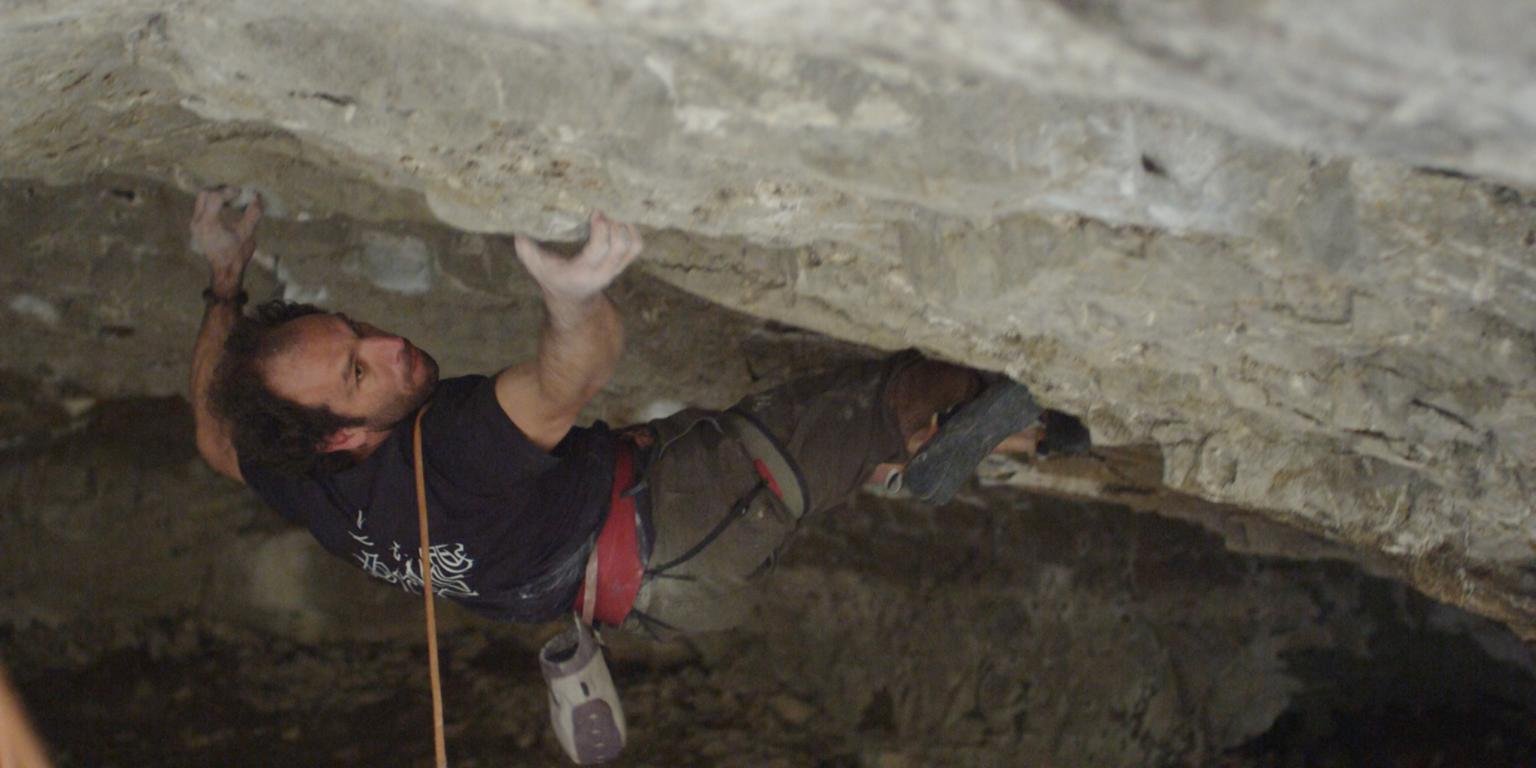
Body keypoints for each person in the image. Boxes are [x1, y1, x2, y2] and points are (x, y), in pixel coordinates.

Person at [189, 187, 1082, 635]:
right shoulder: (452, 454)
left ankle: (979, 446)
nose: (388, 345)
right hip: (684, 521)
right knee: (895, 393)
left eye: (355, 328)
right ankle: (988, 421)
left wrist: (224, 282)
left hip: (631, 578)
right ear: (346, 434)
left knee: (814, 440)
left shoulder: (297, 469)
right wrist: (573, 299)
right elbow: (567, 378)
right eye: (358, 371)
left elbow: (213, 438)